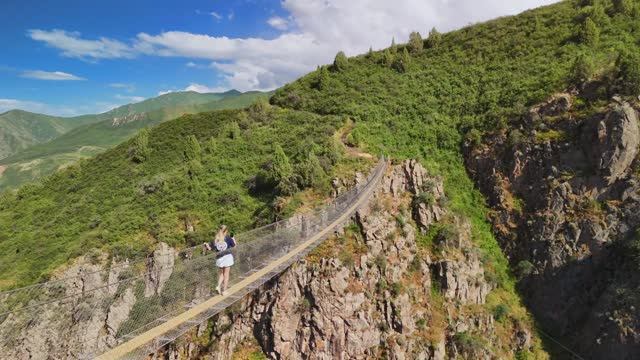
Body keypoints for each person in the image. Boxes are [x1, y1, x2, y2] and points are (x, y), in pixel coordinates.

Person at [204, 225, 236, 295]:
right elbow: (234, 246)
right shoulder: (228, 238)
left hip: (219, 259)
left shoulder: (215, 239)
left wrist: (206, 245)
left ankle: (218, 286)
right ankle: (224, 291)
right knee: (226, 275)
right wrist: (233, 238)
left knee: (222, 273)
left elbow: (210, 249)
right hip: (227, 257)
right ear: (226, 231)